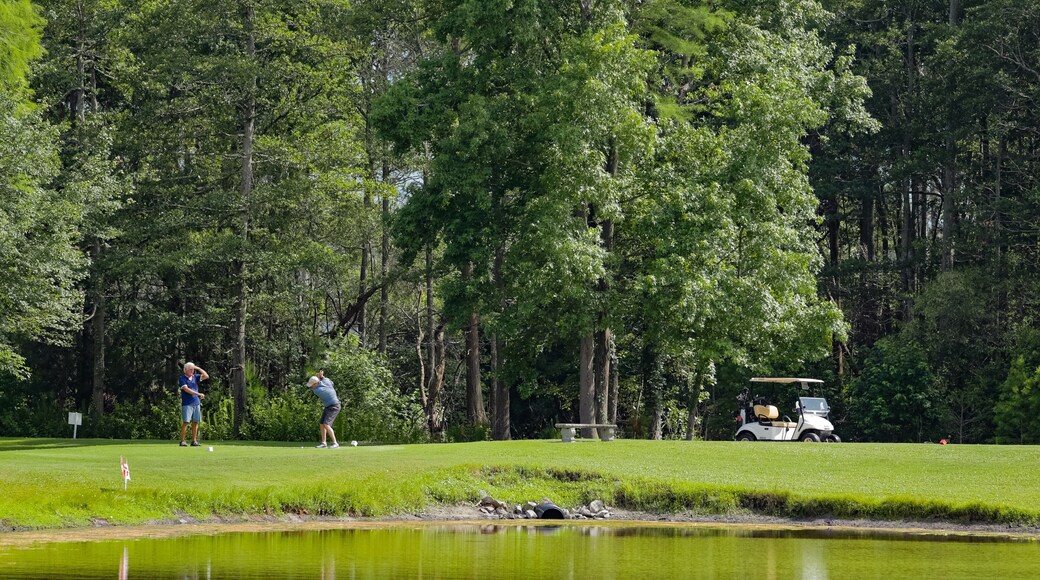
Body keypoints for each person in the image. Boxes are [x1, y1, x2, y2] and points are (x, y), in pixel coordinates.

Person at [308, 370, 340, 449]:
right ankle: (323, 443)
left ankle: (335, 443)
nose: (311, 386)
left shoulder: (317, 391)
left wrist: (319, 377)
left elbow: (320, 385)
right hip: (328, 406)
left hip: (334, 406)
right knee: (322, 424)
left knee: (326, 424)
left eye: (312, 385)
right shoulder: (326, 381)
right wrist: (321, 376)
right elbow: (330, 382)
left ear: (316, 384)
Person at [178, 362, 208, 447]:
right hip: (187, 403)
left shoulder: (195, 377)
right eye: (190, 369)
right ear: (186, 370)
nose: (192, 370)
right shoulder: (182, 378)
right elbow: (186, 389)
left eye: (193, 369)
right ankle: (183, 441)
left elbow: (206, 376)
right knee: (186, 422)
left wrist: (198, 368)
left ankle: (194, 441)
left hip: (196, 403)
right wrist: (198, 394)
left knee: (195, 422)